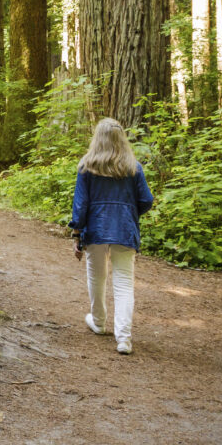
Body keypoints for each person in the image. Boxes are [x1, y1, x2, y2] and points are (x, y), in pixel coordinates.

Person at [69, 117, 153, 355]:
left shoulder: (87, 166)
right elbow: (146, 200)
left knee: (97, 277)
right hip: (124, 230)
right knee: (124, 283)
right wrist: (129, 212)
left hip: (95, 229)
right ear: (121, 139)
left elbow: (80, 205)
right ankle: (124, 338)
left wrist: (77, 233)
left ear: (98, 138)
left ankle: (98, 322)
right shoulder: (132, 167)